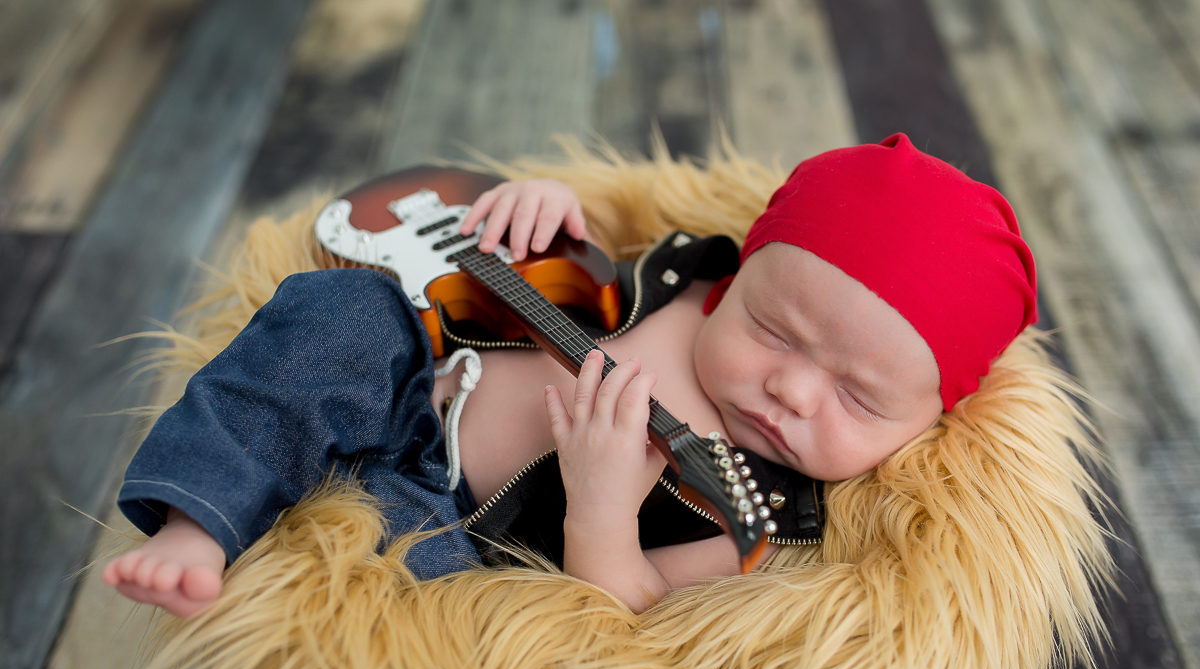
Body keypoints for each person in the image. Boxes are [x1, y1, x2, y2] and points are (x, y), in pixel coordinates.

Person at [102, 133, 1035, 616]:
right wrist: (544, 213)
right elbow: (586, 268)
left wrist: (601, 510)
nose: (794, 390)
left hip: (447, 516)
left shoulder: (756, 514)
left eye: (859, 398)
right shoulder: (688, 277)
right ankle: (198, 523)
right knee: (327, 314)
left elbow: (629, 607)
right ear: (741, 273)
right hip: (412, 373)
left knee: (438, 605)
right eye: (774, 329)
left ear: (933, 421)